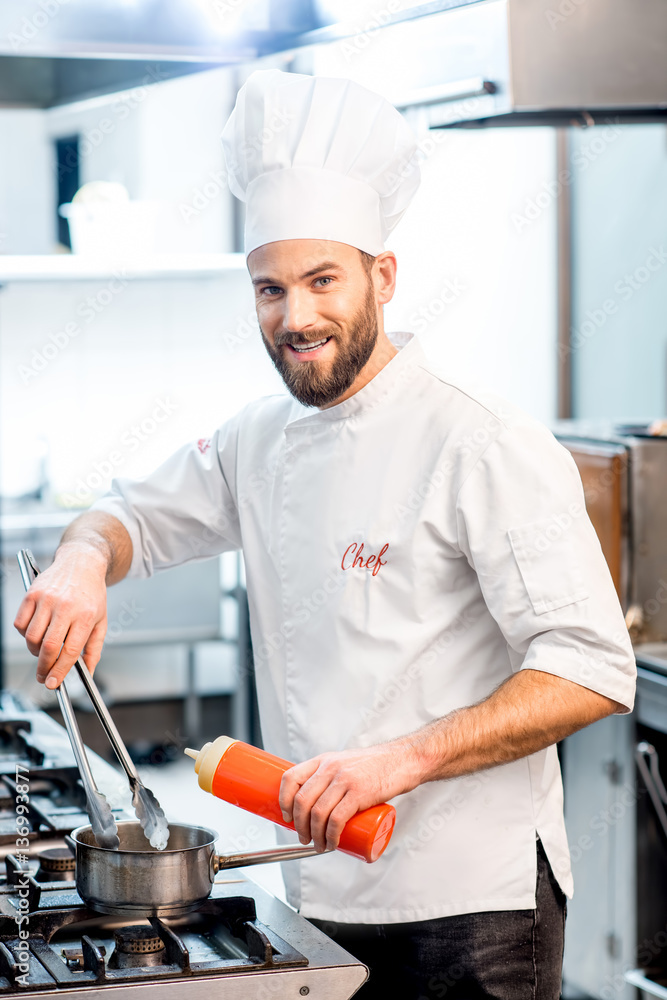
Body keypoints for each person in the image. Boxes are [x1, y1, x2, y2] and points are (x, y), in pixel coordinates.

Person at [15, 70, 635, 999]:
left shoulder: (479, 440)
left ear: (382, 277)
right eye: (270, 288)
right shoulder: (256, 441)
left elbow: (590, 666)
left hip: (472, 907)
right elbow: (127, 515)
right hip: (315, 883)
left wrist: (402, 759)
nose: (295, 317)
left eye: (321, 281)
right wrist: (79, 562)